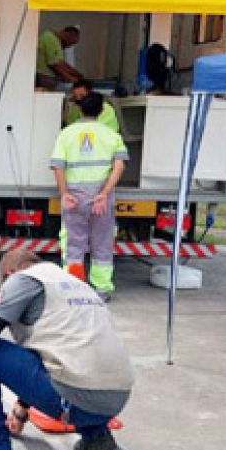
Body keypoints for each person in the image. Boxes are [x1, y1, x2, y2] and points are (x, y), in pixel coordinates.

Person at [0, 248, 134, 450]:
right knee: (74, 364)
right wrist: (20, 411)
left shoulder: (23, 280)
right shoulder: (75, 284)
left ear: (10, 273)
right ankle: (96, 437)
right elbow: (46, 358)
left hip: (74, 398)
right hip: (116, 398)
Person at [51, 92, 128, 299]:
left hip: (74, 197)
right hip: (100, 199)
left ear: (80, 110)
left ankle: (73, 288)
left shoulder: (66, 134)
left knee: (74, 243)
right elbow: (119, 167)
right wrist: (104, 194)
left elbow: (58, 166)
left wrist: (64, 193)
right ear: (102, 111)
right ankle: (101, 289)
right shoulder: (112, 136)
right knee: (102, 242)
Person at [36, 25, 83, 90]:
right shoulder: (50, 38)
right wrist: (71, 78)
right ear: (66, 34)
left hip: (48, 79)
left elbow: (61, 63)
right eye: (71, 42)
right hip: (41, 77)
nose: (69, 46)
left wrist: (76, 74)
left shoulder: (59, 44)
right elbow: (54, 64)